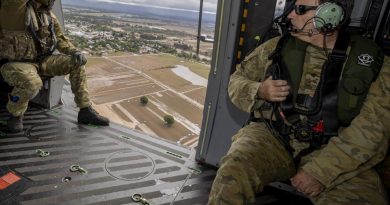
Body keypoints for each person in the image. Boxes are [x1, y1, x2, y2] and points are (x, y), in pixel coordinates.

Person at [208, 0, 389, 204]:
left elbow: (374, 130)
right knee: (234, 171)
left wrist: (321, 171)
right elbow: (236, 81)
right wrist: (259, 90)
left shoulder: (374, 64)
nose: (290, 17)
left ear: (330, 14)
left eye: (300, 10)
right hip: (275, 136)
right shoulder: (276, 46)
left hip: (337, 150)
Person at [0, 0, 110, 133]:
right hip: (16, 63)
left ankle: (85, 110)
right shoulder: (14, 10)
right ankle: (15, 117)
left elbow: (60, 39)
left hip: (42, 61)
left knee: (77, 63)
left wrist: (74, 51)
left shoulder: (48, 16)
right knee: (32, 82)